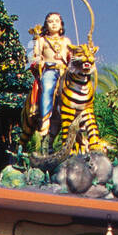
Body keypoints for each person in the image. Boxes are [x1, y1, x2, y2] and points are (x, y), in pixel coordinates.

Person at [29, 12, 72, 140]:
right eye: (50, 21)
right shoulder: (41, 40)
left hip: (65, 71)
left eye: (56, 21)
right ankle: (45, 119)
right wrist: (39, 62)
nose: (54, 24)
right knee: (47, 88)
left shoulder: (66, 41)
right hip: (50, 70)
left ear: (61, 25)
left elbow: (72, 56)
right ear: (46, 25)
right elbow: (35, 56)